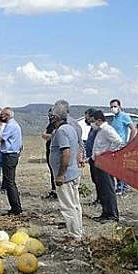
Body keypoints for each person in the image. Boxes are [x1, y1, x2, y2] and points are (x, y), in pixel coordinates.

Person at [48, 102, 83, 243]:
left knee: (68, 206)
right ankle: (77, 231)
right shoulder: (70, 128)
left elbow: (66, 153)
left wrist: (60, 174)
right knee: (75, 204)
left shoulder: (62, 131)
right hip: (73, 173)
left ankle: (73, 235)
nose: (50, 118)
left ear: (55, 117)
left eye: (51, 116)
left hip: (66, 176)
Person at [91, 110, 124, 221]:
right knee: (102, 189)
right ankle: (106, 212)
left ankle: (112, 214)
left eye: (94, 121)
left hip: (105, 163)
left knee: (108, 188)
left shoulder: (107, 129)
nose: (93, 123)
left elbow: (118, 141)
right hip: (99, 163)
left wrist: (108, 153)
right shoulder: (101, 130)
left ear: (99, 120)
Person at [0, 107, 23, 215]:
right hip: (13, 154)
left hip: (9, 155)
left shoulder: (10, 126)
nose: (0, 117)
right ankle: (16, 206)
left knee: (9, 182)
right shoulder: (15, 125)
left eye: (2, 115)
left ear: (7, 115)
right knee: (10, 181)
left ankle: (15, 207)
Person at [109, 98, 137, 194]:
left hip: (121, 144)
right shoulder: (115, 118)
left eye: (115, 106)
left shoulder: (124, 116)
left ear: (120, 106)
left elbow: (133, 129)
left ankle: (122, 187)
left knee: (120, 166)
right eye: (111, 107)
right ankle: (120, 186)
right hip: (115, 144)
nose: (113, 108)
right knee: (116, 166)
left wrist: (130, 142)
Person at [83, 108, 100, 205]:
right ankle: (99, 198)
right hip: (92, 158)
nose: (86, 118)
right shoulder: (92, 128)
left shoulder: (97, 129)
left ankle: (101, 199)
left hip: (97, 158)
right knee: (95, 179)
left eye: (87, 116)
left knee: (99, 180)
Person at [41, 108, 57, 199]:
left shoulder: (57, 125)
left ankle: (57, 191)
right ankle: (54, 190)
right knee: (52, 171)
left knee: (55, 172)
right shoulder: (50, 124)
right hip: (50, 150)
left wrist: (47, 136)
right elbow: (44, 134)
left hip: (55, 151)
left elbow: (49, 135)